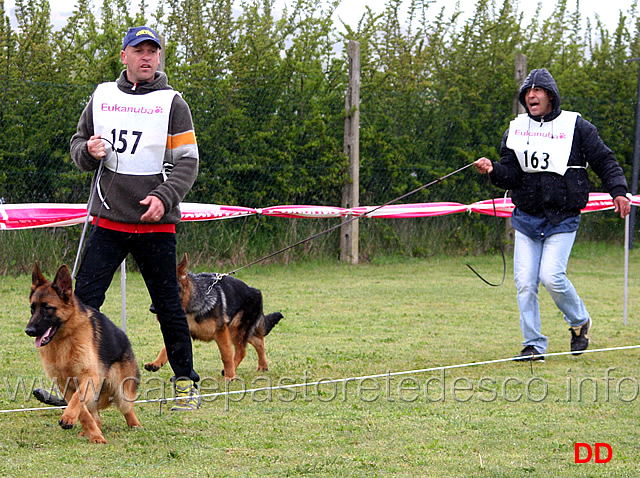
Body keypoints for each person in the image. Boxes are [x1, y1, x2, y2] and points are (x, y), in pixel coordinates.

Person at [34, 26, 201, 410]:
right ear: (123, 56)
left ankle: (185, 385)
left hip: (155, 225)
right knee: (80, 305)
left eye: (152, 51)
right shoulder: (102, 96)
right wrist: (88, 151)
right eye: (138, 50)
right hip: (107, 222)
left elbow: (188, 163)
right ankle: (74, 389)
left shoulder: (173, 103)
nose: (146, 57)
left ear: (159, 58)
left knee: (168, 307)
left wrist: (164, 197)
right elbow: (78, 146)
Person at [474, 68, 631, 362]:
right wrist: (494, 169)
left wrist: (619, 191)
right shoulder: (517, 129)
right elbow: (511, 173)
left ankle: (579, 321)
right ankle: (533, 344)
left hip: (563, 216)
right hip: (527, 216)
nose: (531, 96)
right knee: (524, 282)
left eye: (538, 91)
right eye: (527, 92)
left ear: (551, 96)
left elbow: (604, 159)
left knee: (552, 277)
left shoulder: (577, 126)